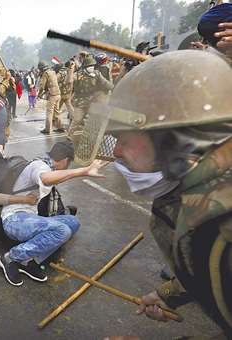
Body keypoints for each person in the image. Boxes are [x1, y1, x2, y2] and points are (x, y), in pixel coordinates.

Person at [93, 50, 232, 338]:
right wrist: (172, 293)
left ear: (173, 140)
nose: (117, 151)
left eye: (124, 139)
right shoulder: (197, 193)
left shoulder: (222, 230)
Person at [0, 139, 107, 286]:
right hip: (14, 220)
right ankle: (11, 257)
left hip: (29, 218)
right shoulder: (40, 166)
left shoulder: (47, 164)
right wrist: (84, 171)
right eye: (69, 164)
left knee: (73, 222)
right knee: (61, 230)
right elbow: (45, 179)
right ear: (65, 160)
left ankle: (29, 261)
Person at [69, 52, 114, 136]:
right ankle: (70, 137)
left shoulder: (97, 73)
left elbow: (106, 84)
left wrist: (114, 88)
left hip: (92, 101)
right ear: (85, 67)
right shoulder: (78, 75)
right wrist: (71, 70)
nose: (92, 68)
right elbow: (70, 81)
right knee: (77, 120)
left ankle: (89, 137)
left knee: (93, 120)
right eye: (90, 66)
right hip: (80, 102)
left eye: (93, 66)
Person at [37, 61, 63, 135]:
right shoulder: (53, 72)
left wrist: (39, 94)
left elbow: (42, 86)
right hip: (58, 93)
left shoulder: (45, 74)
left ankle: (48, 129)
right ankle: (60, 127)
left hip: (52, 95)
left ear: (41, 68)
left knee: (49, 112)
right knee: (57, 111)